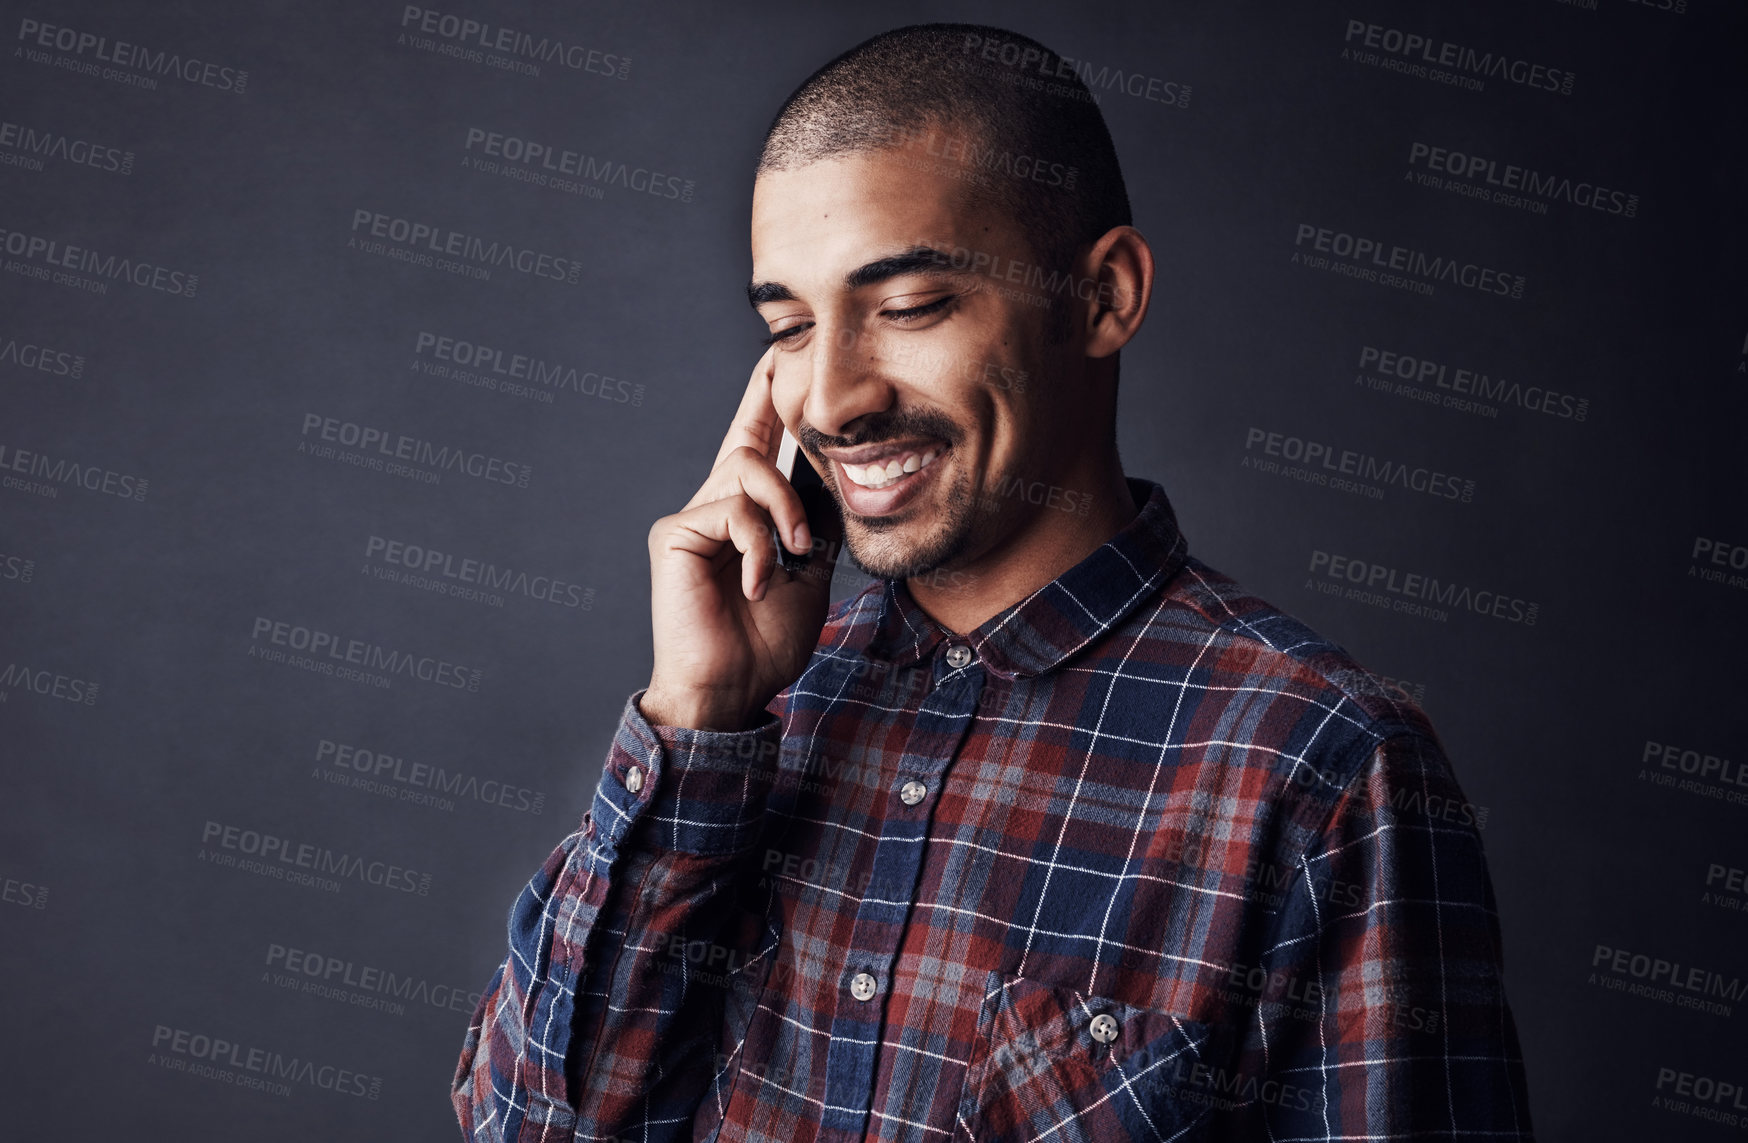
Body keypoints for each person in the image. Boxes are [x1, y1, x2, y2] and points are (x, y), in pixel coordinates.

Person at [452, 23, 1534, 1142]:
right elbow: (529, 1126)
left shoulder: (1317, 764)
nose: (829, 402)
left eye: (909, 307)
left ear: (1103, 297)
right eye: (788, 327)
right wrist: (695, 722)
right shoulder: (748, 716)